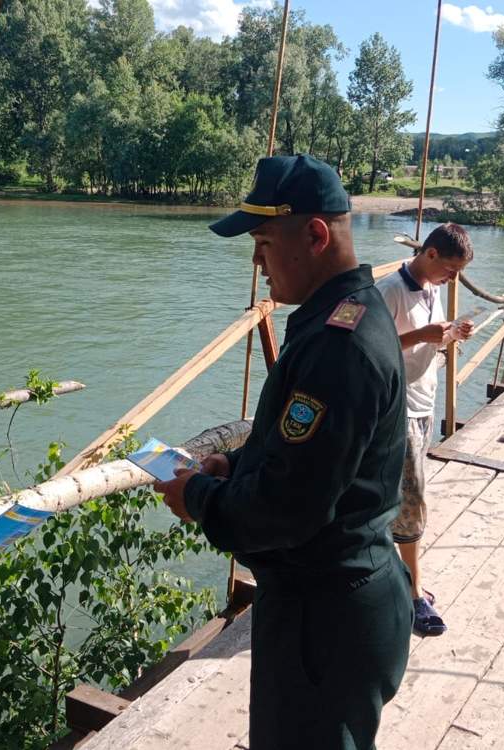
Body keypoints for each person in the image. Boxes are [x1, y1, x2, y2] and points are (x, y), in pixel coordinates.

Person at [154, 154, 413, 750]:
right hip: (340, 601)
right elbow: (310, 455)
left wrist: (196, 495)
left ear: (315, 236)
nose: (255, 260)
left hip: (323, 621)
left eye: (264, 241)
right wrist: (234, 466)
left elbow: (287, 507)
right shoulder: (349, 315)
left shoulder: (338, 347)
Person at [374, 223, 474, 638]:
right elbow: (372, 345)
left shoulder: (430, 287)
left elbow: (418, 344)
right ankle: (414, 594)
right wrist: (426, 335)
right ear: (430, 255)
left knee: (404, 495)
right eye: (449, 270)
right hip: (400, 409)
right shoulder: (390, 291)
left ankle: (395, 577)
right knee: (413, 499)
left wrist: (448, 334)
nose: (452, 279)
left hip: (424, 404)